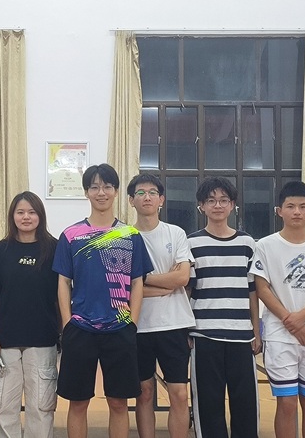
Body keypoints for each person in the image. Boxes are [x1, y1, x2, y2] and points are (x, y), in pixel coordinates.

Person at [53, 163, 153, 438]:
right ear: (86, 192)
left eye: (107, 186)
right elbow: (63, 282)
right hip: (80, 328)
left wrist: (132, 322)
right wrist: (68, 323)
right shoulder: (71, 235)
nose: (101, 192)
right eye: (95, 187)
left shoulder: (130, 235)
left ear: (116, 191)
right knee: (78, 402)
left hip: (120, 329)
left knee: (119, 403)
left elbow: (137, 282)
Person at [250, 181, 305, 438]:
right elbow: (262, 288)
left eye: (302, 206)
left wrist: (300, 318)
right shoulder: (265, 246)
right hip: (279, 336)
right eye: (290, 206)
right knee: (287, 403)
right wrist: (289, 321)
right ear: (279, 211)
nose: (297, 211)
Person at [0, 191, 59, 438]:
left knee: (41, 407)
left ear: (40, 215)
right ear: (12, 216)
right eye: (20, 212)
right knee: (3, 406)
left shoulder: (54, 249)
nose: (26, 217)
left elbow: (62, 294)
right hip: (5, 343)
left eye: (32, 212)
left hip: (43, 341)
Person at [186, 177, 261, 438]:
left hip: (241, 336)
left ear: (232, 205)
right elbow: (188, 291)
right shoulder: (191, 243)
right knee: (208, 405)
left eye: (223, 200)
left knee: (245, 404)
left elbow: (253, 292)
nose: (217, 205)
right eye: (211, 200)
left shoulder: (247, 244)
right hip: (204, 336)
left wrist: (256, 332)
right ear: (201, 206)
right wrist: (187, 330)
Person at [126, 174, 193, 438]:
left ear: (161, 199)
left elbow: (182, 278)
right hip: (137, 325)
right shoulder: (123, 237)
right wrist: (166, 284)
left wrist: (142, 280)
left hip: (174, 325)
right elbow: (122, 288)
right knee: (144, 393)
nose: (147, 197)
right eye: (140, 193)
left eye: (153, 192)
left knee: (179, 393)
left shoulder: (176, 233)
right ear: (131, 200)